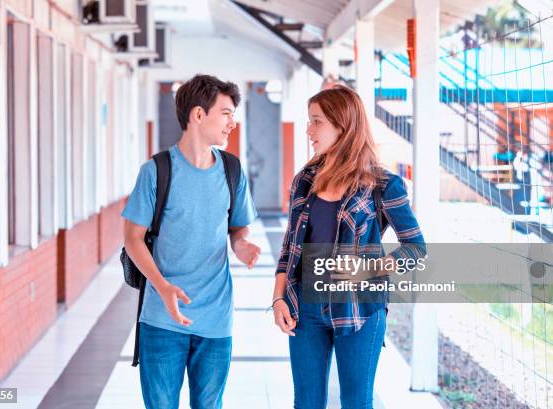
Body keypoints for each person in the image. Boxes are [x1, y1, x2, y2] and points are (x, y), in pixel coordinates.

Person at [271, 85, 426, 409]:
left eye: (316, 121)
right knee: (307, 402)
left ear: (343, 125)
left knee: (356, 402)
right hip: (306, 308)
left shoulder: (382, 185)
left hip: (360, 309)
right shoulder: (304, 180)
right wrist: (278, 298)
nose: (308, 129)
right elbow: (290, 245)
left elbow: (415, 248)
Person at [122, 74, 261, 409]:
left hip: (216, 319)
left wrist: (241, 245)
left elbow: (238, 228)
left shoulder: (232, 170)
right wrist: (163, 286)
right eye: (226, 113)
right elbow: (132, 239)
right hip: (161, 319)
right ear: (199, 115)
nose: (232, 122)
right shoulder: (156, 171)